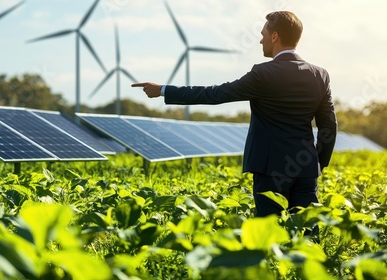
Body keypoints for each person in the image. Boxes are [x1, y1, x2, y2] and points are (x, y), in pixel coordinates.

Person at [132, 11, 337, 217]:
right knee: (308, 233)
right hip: (306, 169)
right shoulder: (320, 75)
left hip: (269, 169)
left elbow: (214, 94)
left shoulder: (263, 73)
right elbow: (329, 126)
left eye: (263, 33)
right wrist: (316, 162)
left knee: (270, 233)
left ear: (275, 37)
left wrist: (164, 90)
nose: (260, 39)